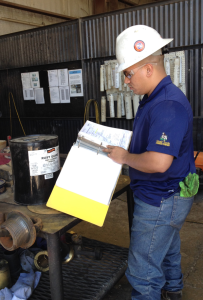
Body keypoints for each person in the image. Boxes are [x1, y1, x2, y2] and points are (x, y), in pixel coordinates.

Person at [103, 25, 196, 300]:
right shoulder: (152, 99)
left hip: (161, 198)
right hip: (167, 195)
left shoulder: (168, 105)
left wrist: (124, 157)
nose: (126, 81)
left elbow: (158, 162)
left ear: (148, 68)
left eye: (128, 73)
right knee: (166, 247)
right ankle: (174, 291)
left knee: (143, 270)